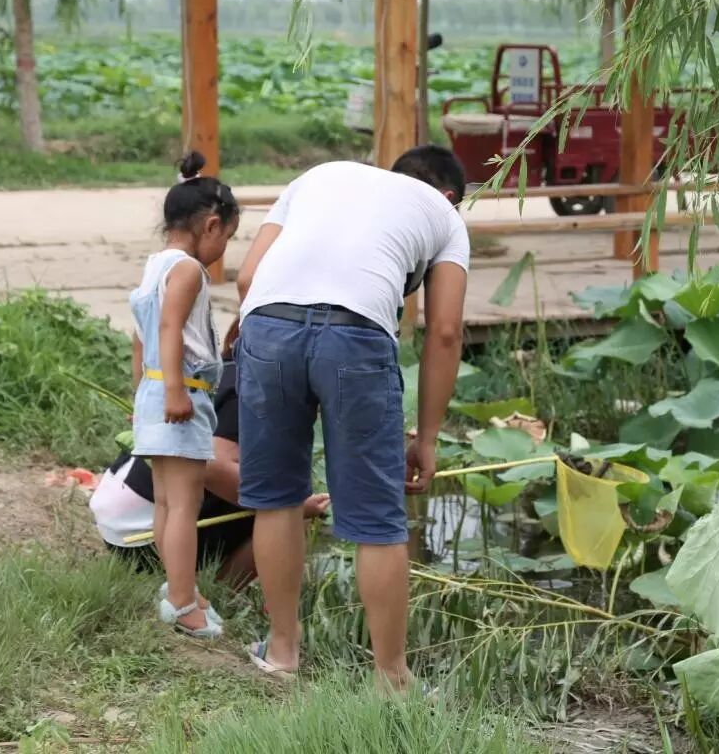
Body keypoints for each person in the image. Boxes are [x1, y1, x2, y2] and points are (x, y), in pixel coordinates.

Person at [235, 145, 469, 683]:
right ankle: (391, 678)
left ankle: (282, 653)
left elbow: (248, 278)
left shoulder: (320, 176)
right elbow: (446, 331)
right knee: (377, 521)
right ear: (451, 196)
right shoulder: (445, 217)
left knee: (275, 499)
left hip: (268, 325)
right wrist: (427, 438)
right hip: (356, 337)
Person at [90, 321, 331, 589]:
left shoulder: (225, 372)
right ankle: (218, 590)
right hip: (142, 534)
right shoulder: (254, 389)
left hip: (121, 517)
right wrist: (292, 506)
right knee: (289, 510)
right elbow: (213, 466)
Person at [129, 152, 240, 639]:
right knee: (185, 505)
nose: (224, 250)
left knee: (165, 502)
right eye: (228, 239)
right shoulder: (189, 270)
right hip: (181, 395)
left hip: (154, 392)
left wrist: (147, 387)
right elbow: (172, 325)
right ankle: (181, 603)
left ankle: (180, 589)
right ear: (211, 225)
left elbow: (141, 333)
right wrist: (175, 390)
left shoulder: (154, 266)